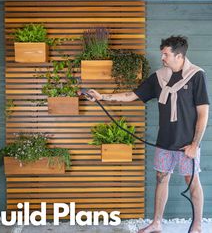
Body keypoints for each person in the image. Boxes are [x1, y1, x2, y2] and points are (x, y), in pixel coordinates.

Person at [85, 36, 210, 233]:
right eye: (162, 54)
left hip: (187, 144)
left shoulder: (196, 76)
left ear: (179, 55)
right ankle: (156, 223)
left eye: (166, 54)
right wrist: (103, 96)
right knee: (161, 178)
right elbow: (132, 95)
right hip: (164, 142)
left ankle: (197, 226)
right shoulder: (159, 77)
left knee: (192, 181)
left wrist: (195, 144)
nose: (162, 58)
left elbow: (203, 112)